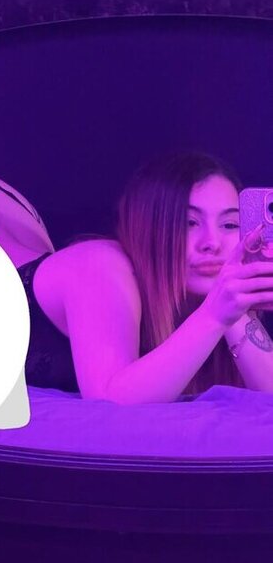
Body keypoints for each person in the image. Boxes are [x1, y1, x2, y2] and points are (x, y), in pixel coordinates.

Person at [16, 151, 273, 403]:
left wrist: (236, 310)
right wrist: (215, 315)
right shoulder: (99, 264)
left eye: (230, 225)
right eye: (189, 223)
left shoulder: (208, 293)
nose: (212, 243)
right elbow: (108, 400)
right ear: (149, 230)